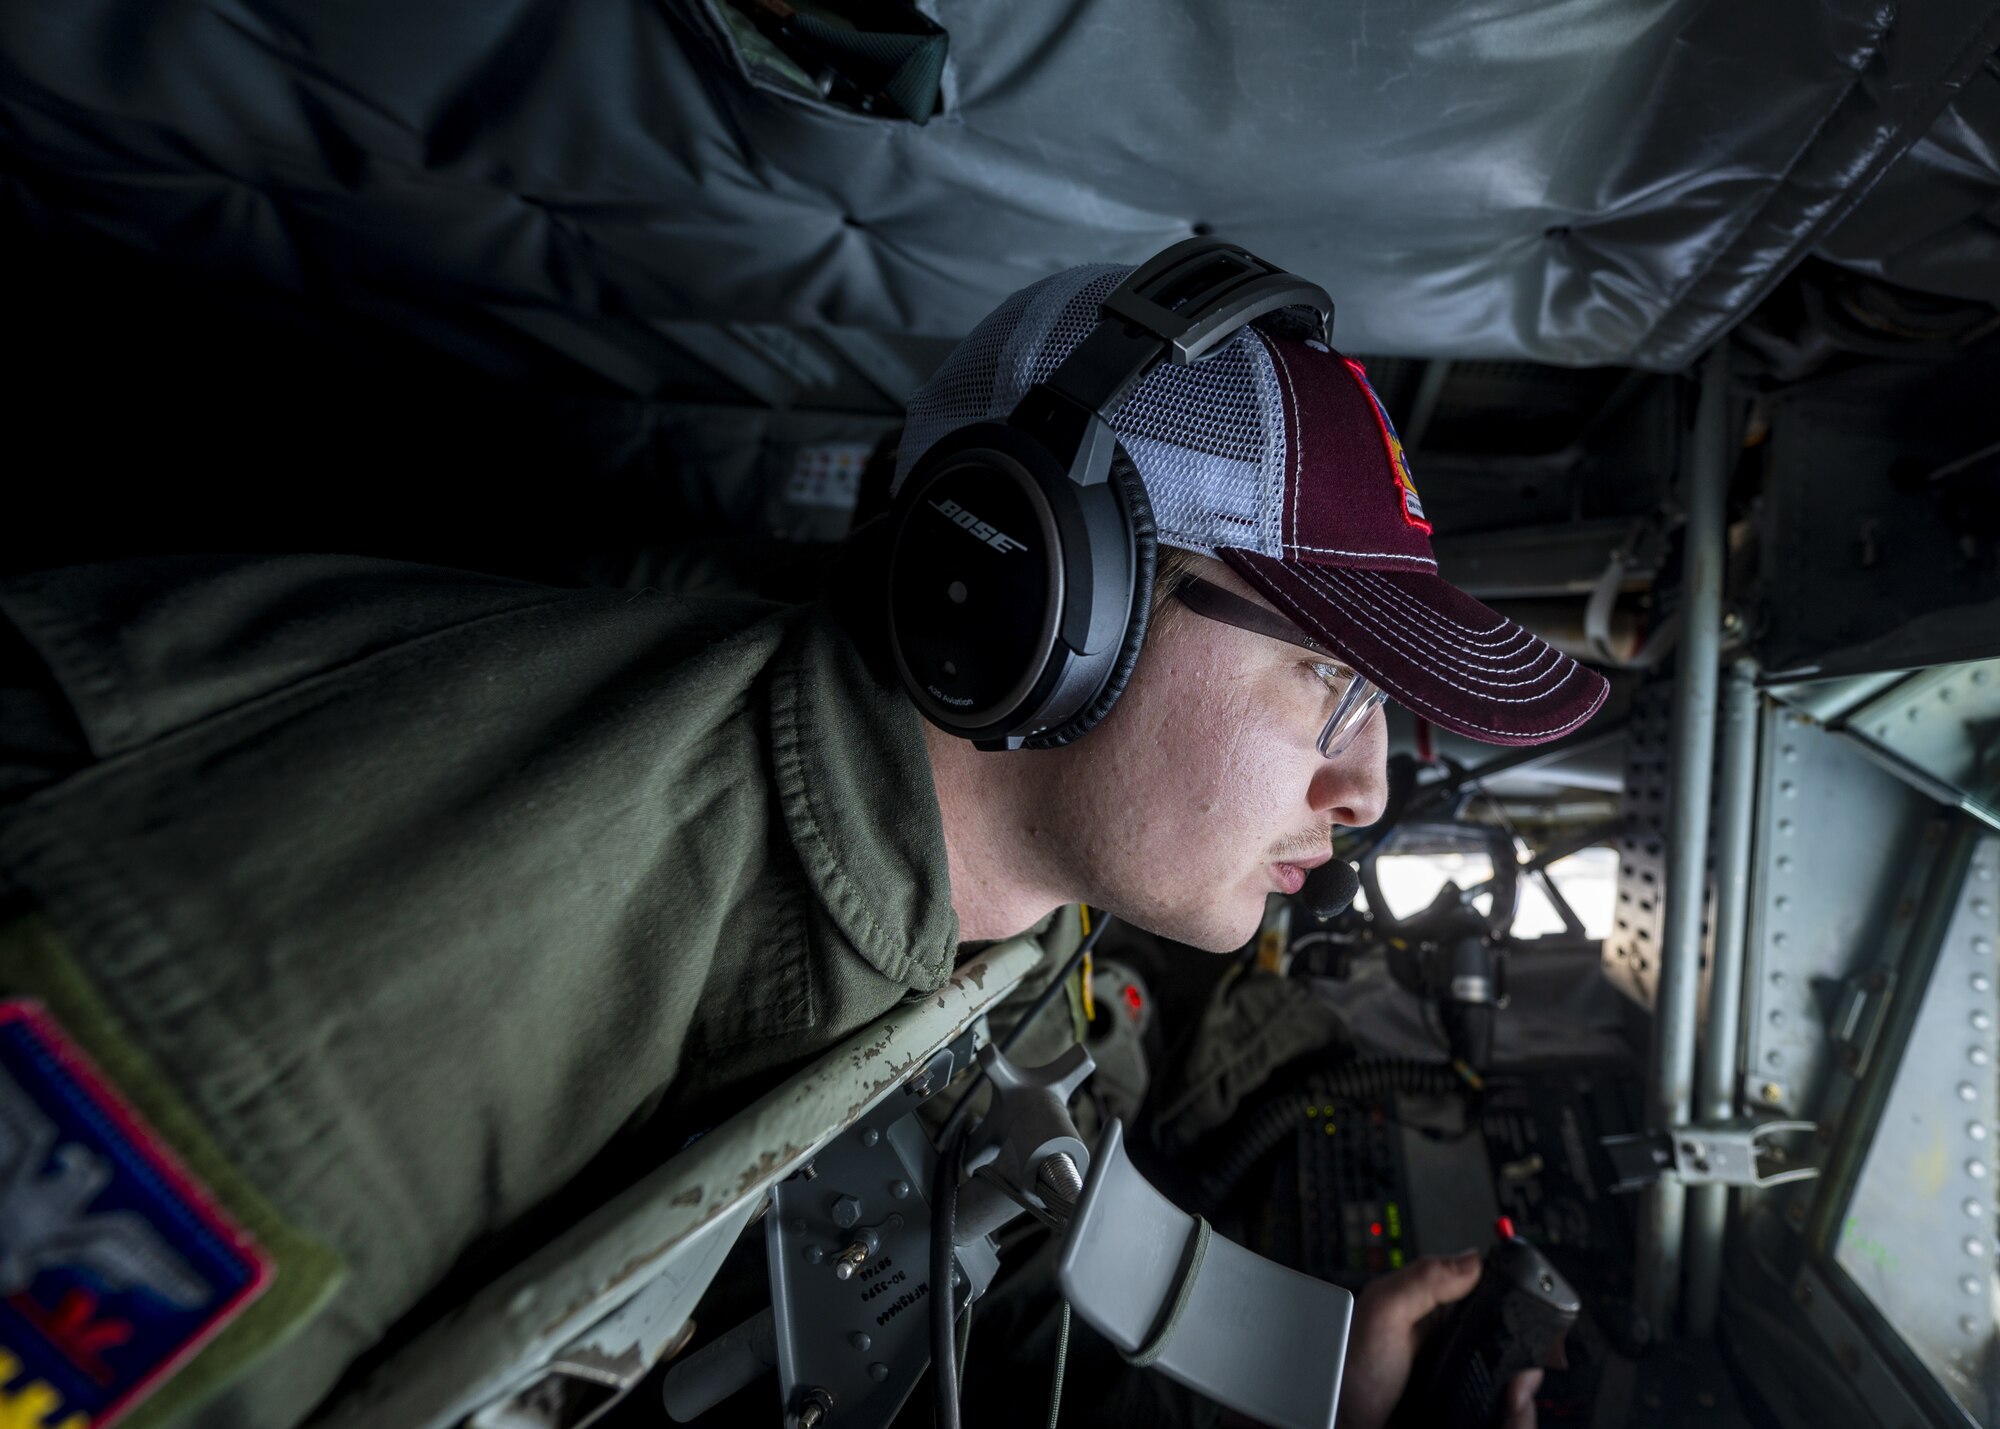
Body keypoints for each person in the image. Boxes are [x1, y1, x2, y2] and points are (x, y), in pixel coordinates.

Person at [0, 257, 1603, 1428]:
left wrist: (1350, 1394)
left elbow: (1026, 1264)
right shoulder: (390, 952)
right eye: (1332, 675)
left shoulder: (1006, 929)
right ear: (1044, 587)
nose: (1373, 785)